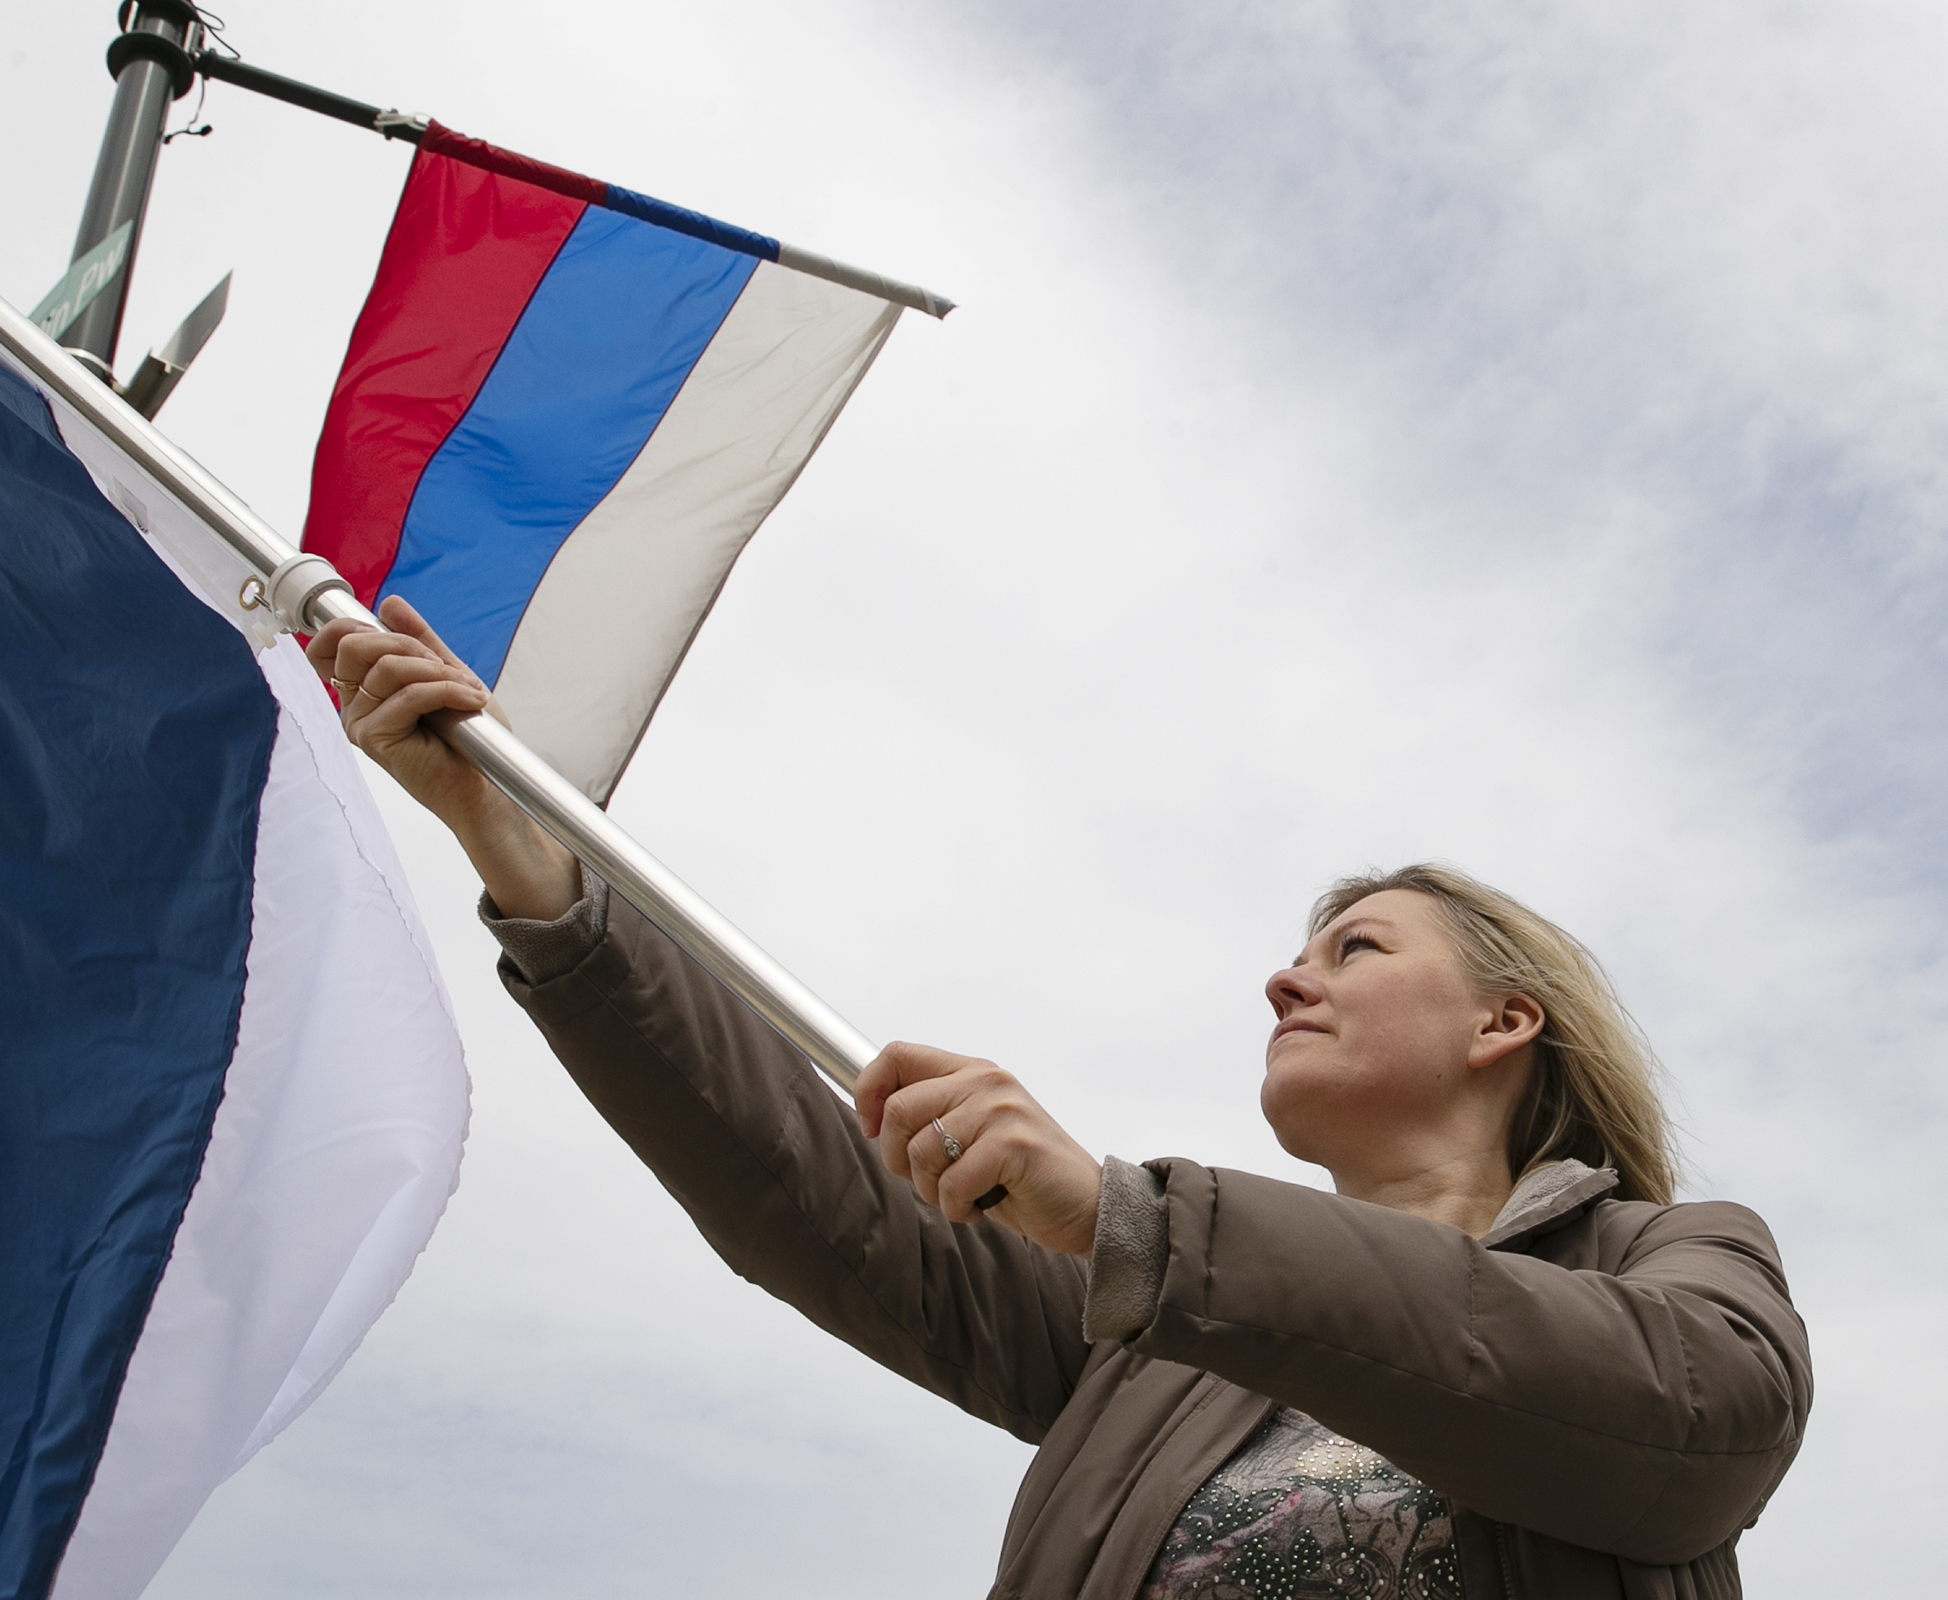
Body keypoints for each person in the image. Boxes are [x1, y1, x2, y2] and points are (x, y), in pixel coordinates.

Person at [310, 599, 1811, 1600]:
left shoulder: (1673, 1265)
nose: (1287, 985)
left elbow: (1694, 1430)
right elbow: (814, 1199)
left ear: (1506, 1018)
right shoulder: (1152, 1343)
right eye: (1294, 955)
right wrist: (534, 870)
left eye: (1352, 950)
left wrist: (1135, 1220)